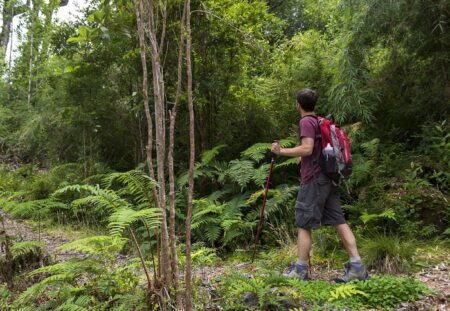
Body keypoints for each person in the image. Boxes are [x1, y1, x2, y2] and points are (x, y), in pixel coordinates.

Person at [271, 88, 368, 282]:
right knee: (339, 221)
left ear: (298, 104)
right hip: (329, 179)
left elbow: (307, 149)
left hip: (314, 181)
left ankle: (300, 270)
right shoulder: (319, 121)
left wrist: (280, 151)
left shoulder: (306, 121)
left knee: (303, 223)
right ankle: (357, 266)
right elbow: (313, 151)